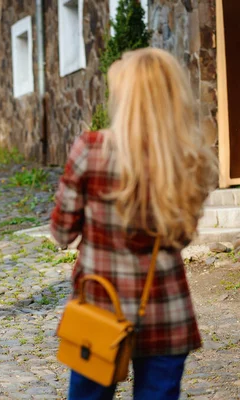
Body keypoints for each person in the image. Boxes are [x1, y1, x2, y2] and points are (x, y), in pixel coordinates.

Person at [50, 48, 218, 399]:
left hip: (100, 309)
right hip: (166, 312)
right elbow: (183, 236)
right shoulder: (189, 159)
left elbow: (62, 232)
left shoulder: (90, 150)